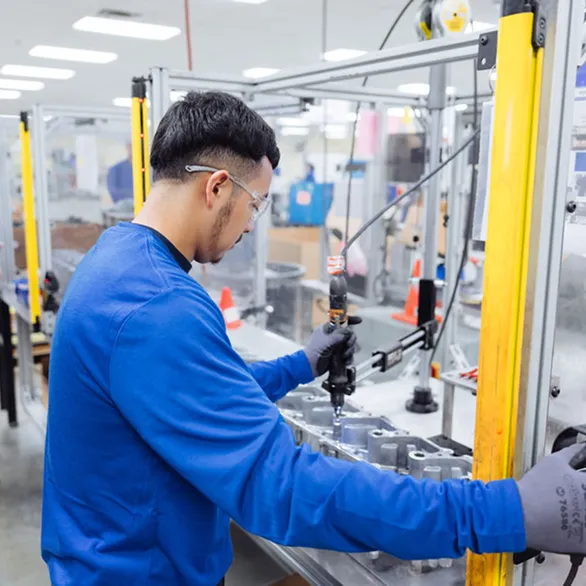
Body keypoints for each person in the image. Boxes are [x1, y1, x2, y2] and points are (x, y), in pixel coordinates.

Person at [42, 91, 586, 586]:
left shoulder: (118, 263)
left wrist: (299, 364)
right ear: (215, 187)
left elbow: (193, 393)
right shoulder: (159, 305)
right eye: (256, 205)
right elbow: (279, 485)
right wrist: (502, 513)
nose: (252, 226)